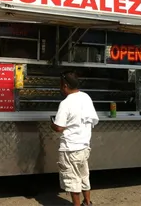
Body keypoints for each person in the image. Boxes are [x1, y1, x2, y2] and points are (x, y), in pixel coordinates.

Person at [51, 71, 99, 206]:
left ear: (65, 85)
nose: (60, 88)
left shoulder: (65, 103)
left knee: (72, 181)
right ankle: (88, 202)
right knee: (84, 176)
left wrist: (52, 124)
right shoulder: (86, 97)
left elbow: (59, 127)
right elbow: (93, 120)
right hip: (84, 147)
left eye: (61, 85)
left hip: (70, 149)